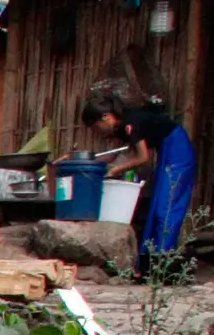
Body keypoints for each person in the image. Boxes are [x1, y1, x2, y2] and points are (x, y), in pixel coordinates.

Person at [82, 76, 195, 259]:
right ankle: (151, 261)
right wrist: (91, 164)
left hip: (178, 150)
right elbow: (116, 154)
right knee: (158, 205)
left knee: (166, 207)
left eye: (97, 127)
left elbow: (143, 157)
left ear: (106, 117)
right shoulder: (120, 128)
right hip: (166, 150)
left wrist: (115, 170)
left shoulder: (129, 123)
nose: (98, 132)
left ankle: (163, 259)